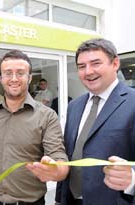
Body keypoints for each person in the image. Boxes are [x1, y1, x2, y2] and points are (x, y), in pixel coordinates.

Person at [0, 49, 69, 205]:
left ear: (29, 77)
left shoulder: (47, 116)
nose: (14, 78)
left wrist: (56, 171)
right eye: (8, 73)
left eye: (20, 73)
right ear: (1, 78)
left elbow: (59, 159)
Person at [57, 38, 135, 205]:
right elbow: (70, 155)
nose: (88, 72)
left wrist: (133, 178)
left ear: (115, 63)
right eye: (81, 66)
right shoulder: (74, 106)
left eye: (95, 63)